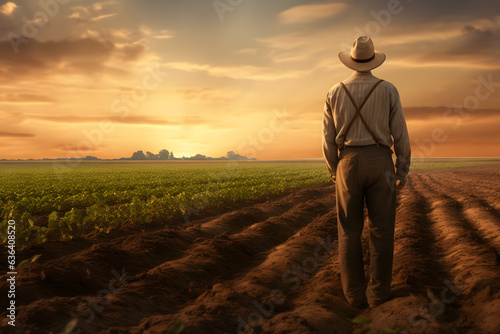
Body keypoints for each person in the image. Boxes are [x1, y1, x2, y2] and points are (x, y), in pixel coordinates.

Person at [322, 36, 411, 309]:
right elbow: (401, 134)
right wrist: (402, 168)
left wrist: (335, 170)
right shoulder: (388, 89)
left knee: (349, 231)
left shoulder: (334, 92)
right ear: (373, 60)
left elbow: (327, 139)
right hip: (381, 161)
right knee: (382, 231)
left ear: (351, 60)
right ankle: (378, 295)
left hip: (347, 162)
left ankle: (354, 297)